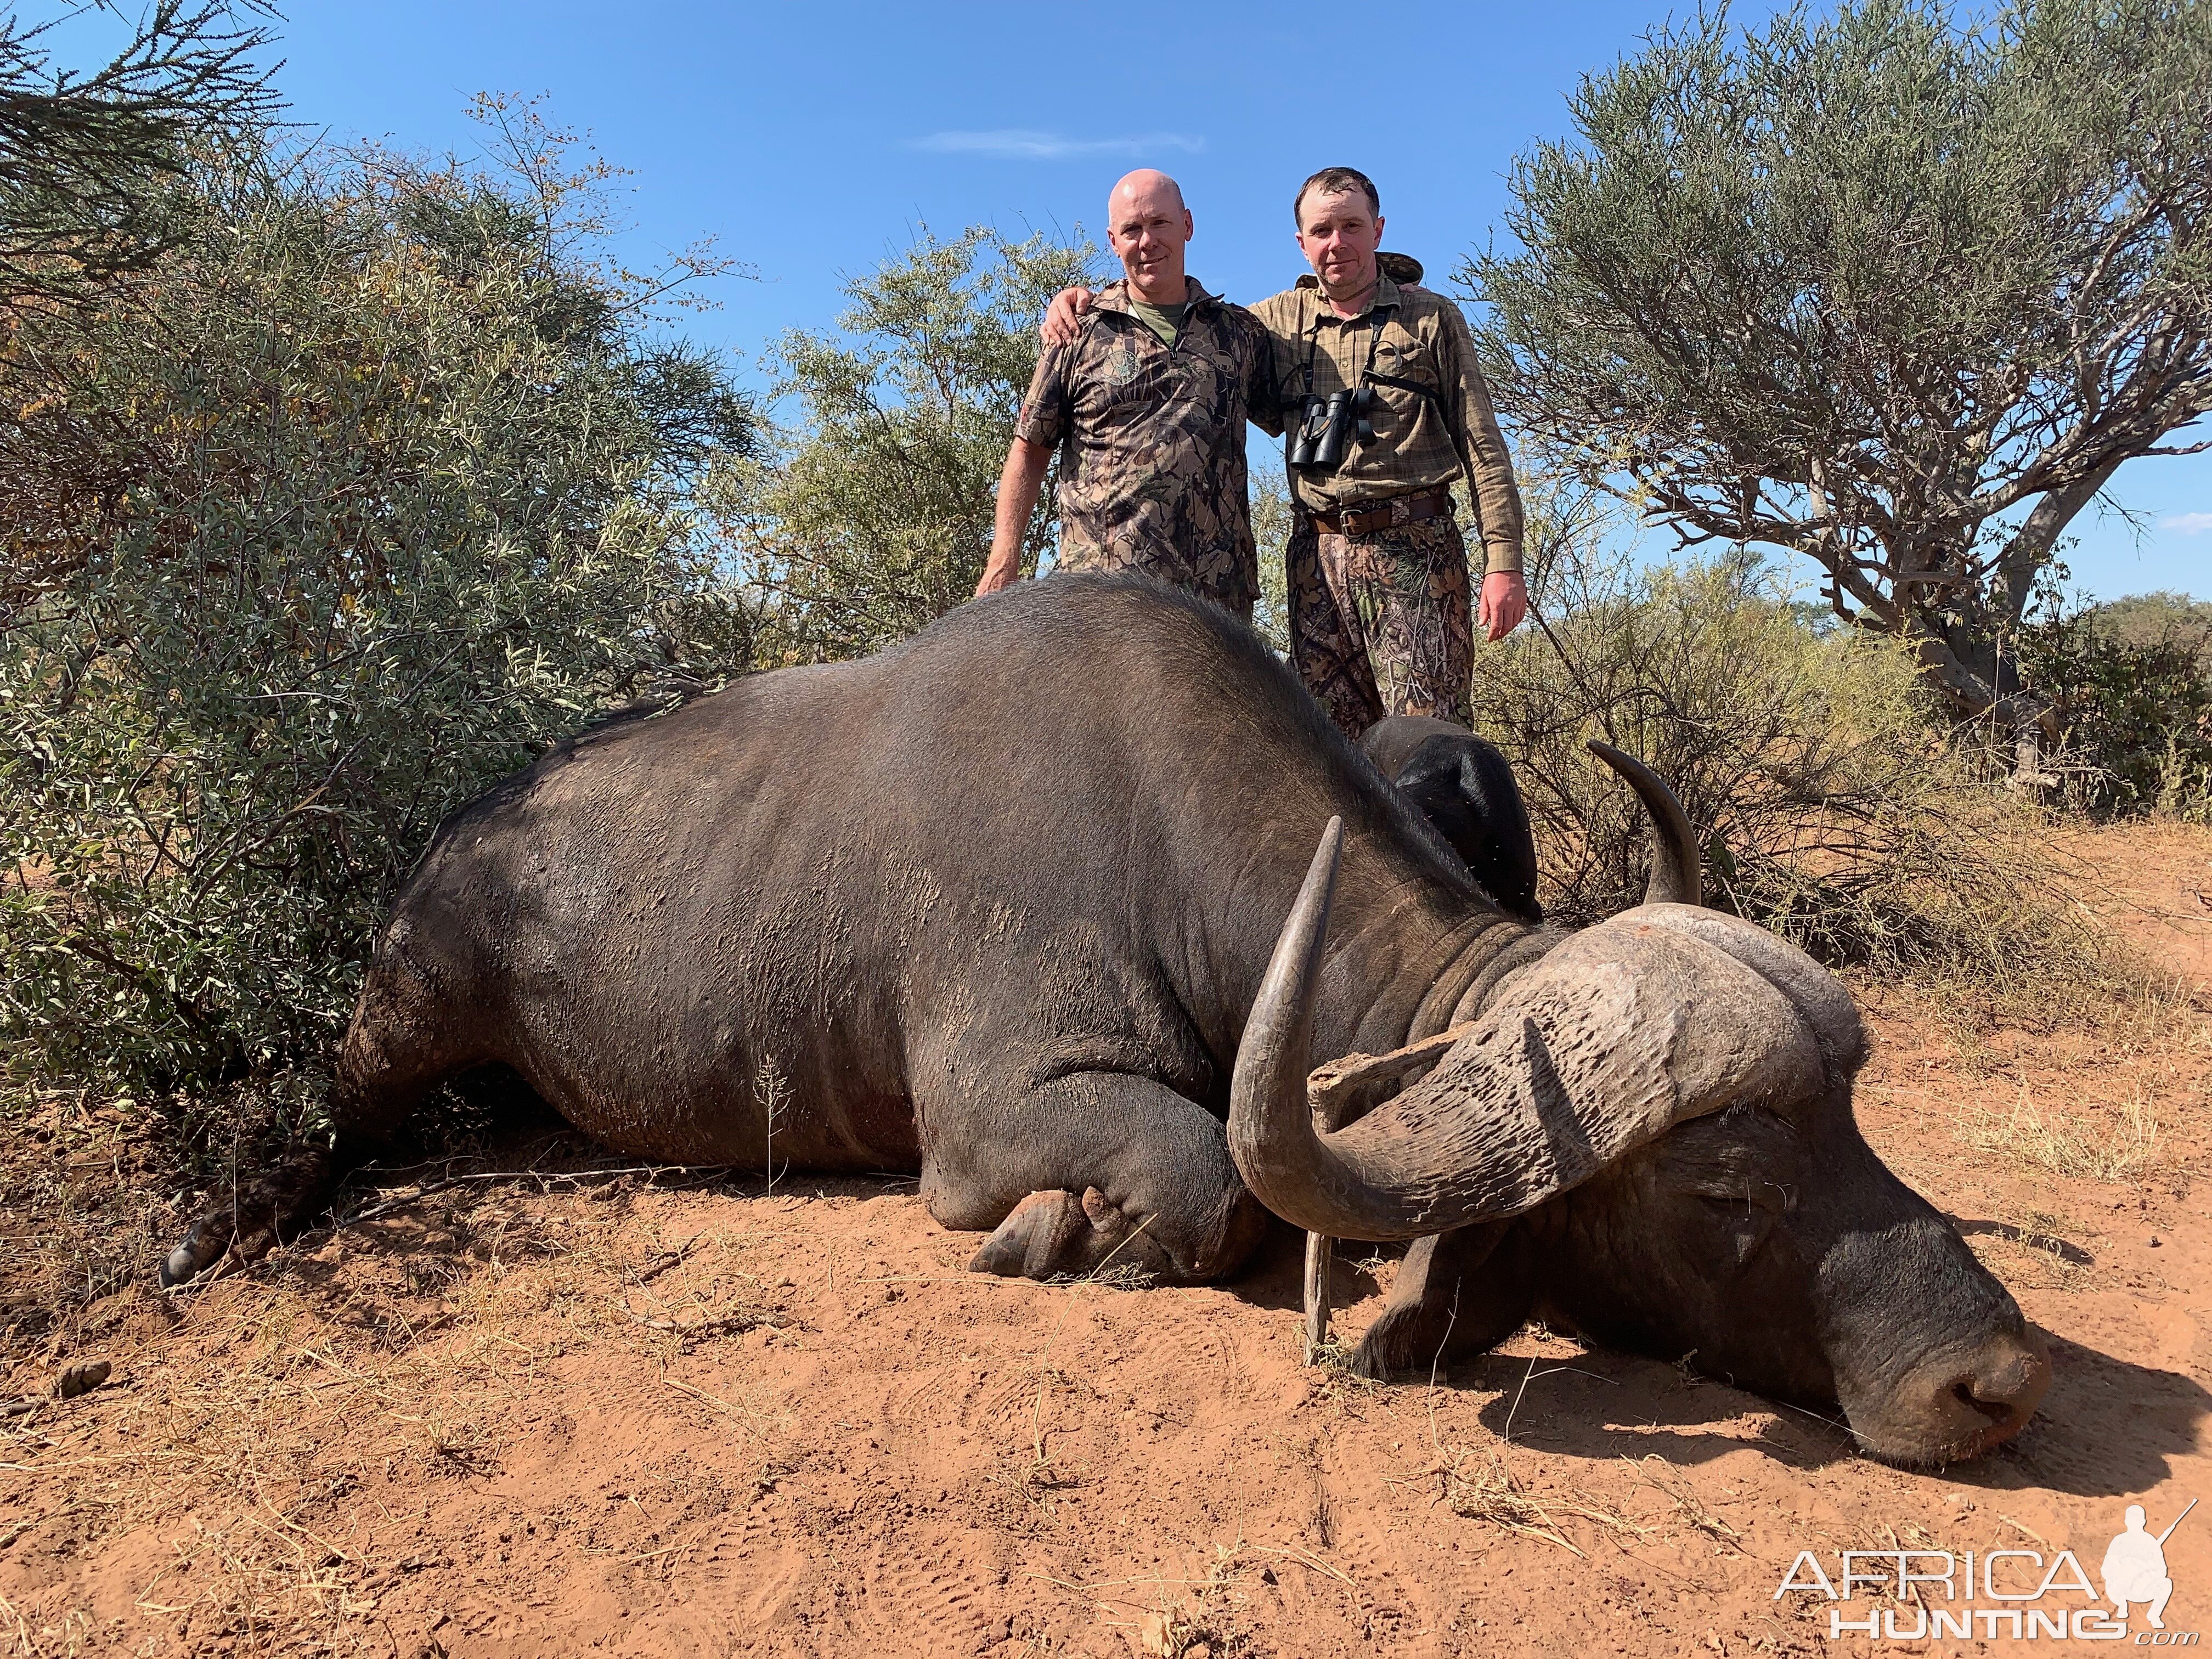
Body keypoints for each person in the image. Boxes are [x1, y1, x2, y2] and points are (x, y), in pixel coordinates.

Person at [1044, 166, 1530, 738]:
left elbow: (1483, 445)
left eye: (1351, 226)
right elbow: (1182, 330)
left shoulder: (1431, 317)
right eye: (1321, 230)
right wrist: (1082, 300)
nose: (1337, 243)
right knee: (1330, 753)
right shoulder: (1269, 325)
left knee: (1431, 746)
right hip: (1317, 561)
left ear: (1378, 230)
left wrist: (1505, 562)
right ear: (1301, 243)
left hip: (1415, 553)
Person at [975, 169, 1278, 622]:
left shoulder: (1239, 334)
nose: (1147, 241)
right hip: (1105, 600)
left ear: (1188, 225)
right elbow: (1029, 448)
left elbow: (1291, 409)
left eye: (1160, 223)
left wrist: (1392, 287)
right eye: (1132, 229)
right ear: (1114, 241)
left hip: (1218, 603)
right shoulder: (1077, 331)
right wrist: (1003, 561)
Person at [2101, 1504, 2175, 1628]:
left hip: (2143, 1589)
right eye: (2132, 1520)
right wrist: (2125, 1568)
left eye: (2138, 1520)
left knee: (2166, 1584)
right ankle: (2122, 1605)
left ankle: (2154, 1615)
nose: (2135, 1523)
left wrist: (2146, 1573)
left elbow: (2162, 1570)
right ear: (2126, 1522)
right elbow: (2107, 1569)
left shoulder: (2151, 1542)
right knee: (2112, 1582)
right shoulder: (2119, 1541)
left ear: (2143, 1522)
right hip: (2122, 1589)